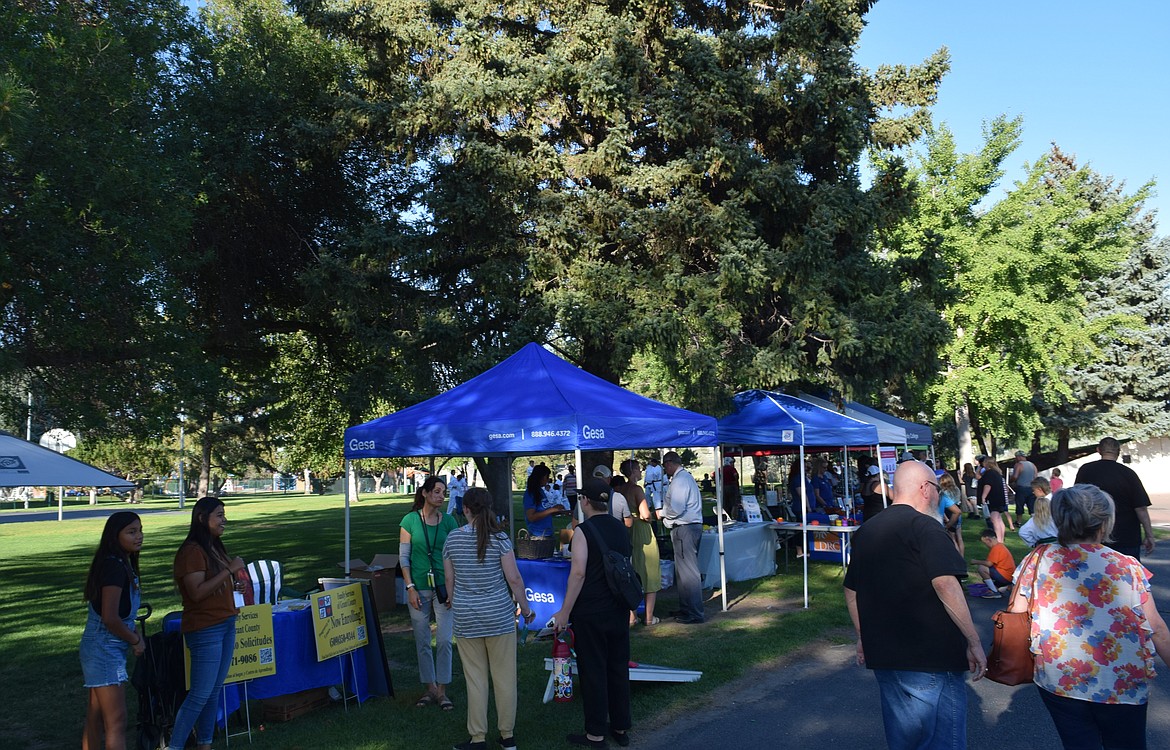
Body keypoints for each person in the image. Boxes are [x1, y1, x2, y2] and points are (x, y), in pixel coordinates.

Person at [1008, 484, 1170, 749]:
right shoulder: (1126, 566)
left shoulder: (1036, 560)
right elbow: (1158, 629)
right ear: (1105, 522)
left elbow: (1016, 614)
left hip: (1059, 679)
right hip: (1122, 683)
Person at [843, 460, 986, 750]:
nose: (937, 496)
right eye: (935, 488)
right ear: (925, 489)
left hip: (885, 653)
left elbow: (851, 591)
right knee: (943, 741)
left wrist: (862, 637)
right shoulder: (927, 528)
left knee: (905, 740)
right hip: (931, 655)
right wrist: (973, 641)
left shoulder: (867, 530)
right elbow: (946, 584)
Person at [443, 488, 535, 750]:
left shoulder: (452, 540)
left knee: (476, 680)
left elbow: (449, 580)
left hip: (467, 617)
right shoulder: (501, 539)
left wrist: (453, 601)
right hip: (499, 617)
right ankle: (507, 736)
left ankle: (478, 737)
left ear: (466, 510)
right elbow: (514, 579)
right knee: (505, 678)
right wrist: (526, 610)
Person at [553, 478, 634, 748]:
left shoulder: (583, 532)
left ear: (585, 501)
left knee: (594, 670)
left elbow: (578, 572)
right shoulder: (620, 528)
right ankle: (621, 727)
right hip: (618, 607)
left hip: (591, 610)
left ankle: (596, 733)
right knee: (618, 667)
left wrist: (565, 611)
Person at [168, 497, 246, 750]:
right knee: (200, 694)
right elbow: (197, 593)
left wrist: (233, 584)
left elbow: (214, 585)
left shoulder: (213, 547)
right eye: (219, 515)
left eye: (224, 514)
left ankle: (205, 743)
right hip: (205, 629)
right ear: (202, 518)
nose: (225, 520)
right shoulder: (192, 551)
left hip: (225, 623)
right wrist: (229, 571)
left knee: (213, 691)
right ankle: (175, 746)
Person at [80, 511, 145, 750]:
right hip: (103, 649)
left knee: (96, 717)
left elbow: (121, 614)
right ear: (113, 536)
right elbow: (109, 618)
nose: (139, 536)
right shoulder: (113, 567)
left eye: (140, 530)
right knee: (117, 721)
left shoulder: (120, 563)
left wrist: (131, 633)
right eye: (131, 532)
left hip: (106, 648)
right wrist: (135, 639)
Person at [400, 476, 459, 710]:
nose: (440, 495)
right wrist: (410, 587)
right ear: (424, 493)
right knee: (422, 639)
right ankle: (430, 688)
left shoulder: (449, 522)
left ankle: (442, 690)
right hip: (418, 587)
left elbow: (456, 556)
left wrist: (454, 589)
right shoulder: (410, 521)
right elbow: (404, 558)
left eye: (443, 491)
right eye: (436, 491)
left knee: (444, 640)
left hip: (444, 588)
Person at [1074, 436, 1155, 560]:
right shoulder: (1128, 474)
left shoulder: (1085, 470)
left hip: (1093, 534)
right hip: (1126, 535)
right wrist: (1149, 535)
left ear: (1098, 450)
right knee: (1127, 575)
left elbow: (1077, 503)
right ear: (1118, 451)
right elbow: (1141, 508)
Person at [659, 451, 704, 624]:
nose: (664, 469)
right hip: (687, 527)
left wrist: (662, 513)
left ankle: (694, 612)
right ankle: (687, 608)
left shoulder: (680, 480)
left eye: (665, 466)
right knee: (683, 571)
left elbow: (676, 508)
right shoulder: (683, 478)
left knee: (688, 572)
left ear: (670, 463)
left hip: (685, 528)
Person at [620, 458, 661, 627]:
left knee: (632, 571)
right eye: (638, 469)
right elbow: (645, 514)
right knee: (650, 571)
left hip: (626, 529)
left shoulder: (621, 489)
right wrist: (651, 515)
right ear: (633, 471)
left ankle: (632, 617)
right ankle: (649, 617)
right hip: (641, 529)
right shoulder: (636, 489)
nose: (641, 472)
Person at [971, 528, 1015, 599]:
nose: (986, 545)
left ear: (989, 540)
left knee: (982, 568)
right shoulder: (1000, 546)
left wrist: (976, 561)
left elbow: (989, 564)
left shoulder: (996, 548)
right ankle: (1004, 587)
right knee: (987, 579)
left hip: (1005, 575)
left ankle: (994, 592)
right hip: (1009, 575)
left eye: (985, 543)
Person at [523, 463, 564, 537]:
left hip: (547, 533)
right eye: (547, 476)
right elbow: (531, 517)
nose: (548, 479)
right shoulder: (530, 493)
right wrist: (552, 510)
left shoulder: (540, 491)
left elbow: (544, 511)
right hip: (537, 535)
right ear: (540, 477)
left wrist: (559, 511)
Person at [978, 457, 1011, 542]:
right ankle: (1001, 538)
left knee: (994, 519)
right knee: (999, 519)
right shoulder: (997, 473)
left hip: (993, 499)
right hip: (999, 498)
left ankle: (999, 540)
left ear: (986, 463)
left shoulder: (989, 473)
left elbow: (988, 485)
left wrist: (983, 497)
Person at [1017, 477, 1057, 547]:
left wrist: (1034, 544)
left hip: (1045, 545)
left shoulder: (1044, 505)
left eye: (1033, 490)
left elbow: (1023, 532)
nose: (1033, 492)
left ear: (1039, 489)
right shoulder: (1057, 500)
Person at [1010, 450, 1038, 527]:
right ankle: (1034, 523)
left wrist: (1011, 480)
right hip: (1031, 488)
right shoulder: (1032, 465)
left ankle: (1018, 522)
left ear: (1019, 457)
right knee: (1031, 506)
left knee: (1020, 505)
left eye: (1016, 457)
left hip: (1021, 488)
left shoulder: (1018, 465)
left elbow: (1015, 476)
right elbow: (1035, 476)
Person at [938, 473, 964, 556]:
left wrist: (946, 520)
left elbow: (946, 506)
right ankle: (962, 556)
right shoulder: (957, 490)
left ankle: (957, 556)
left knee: (952, 538)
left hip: (950, 515)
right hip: (958, 516)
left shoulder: (943, 493)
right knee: (959, 537)